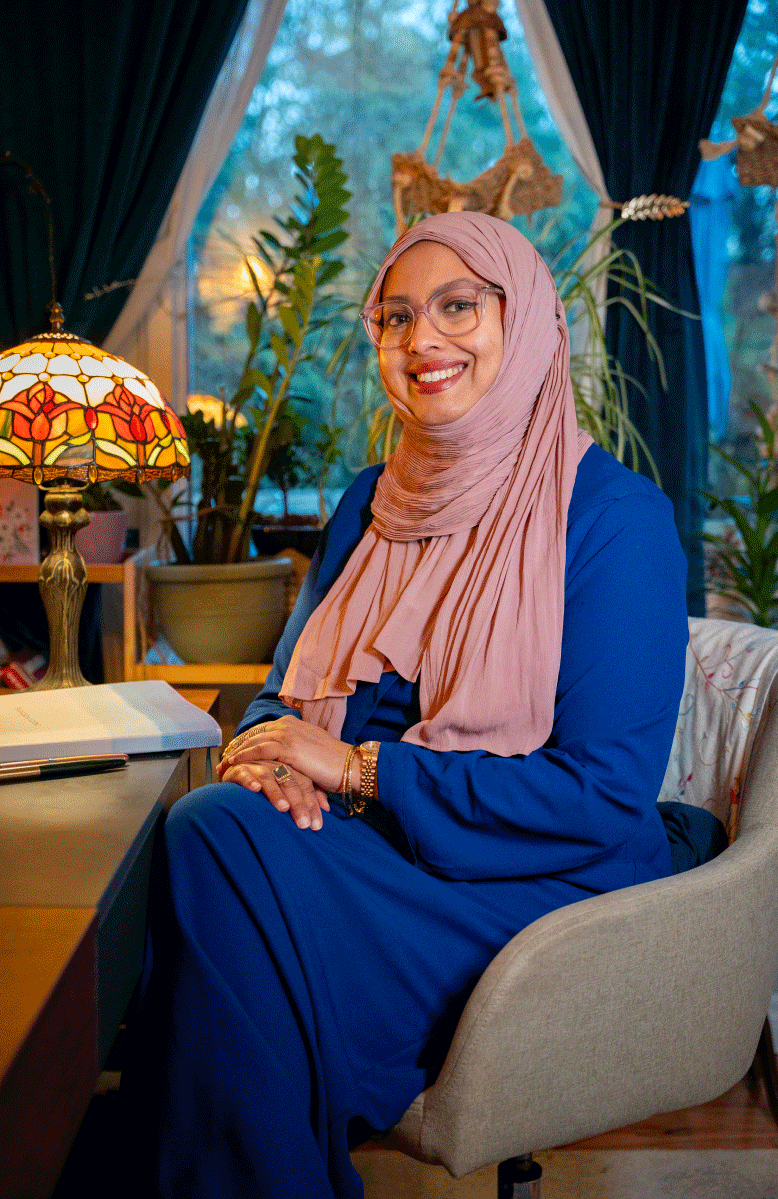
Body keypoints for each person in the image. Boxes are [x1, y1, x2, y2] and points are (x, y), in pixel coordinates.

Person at [125, 212, 689, 1199]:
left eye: (456, 307)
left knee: (212, 846)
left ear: (527, 327)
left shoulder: (613, 520)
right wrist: (265, 746)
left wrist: (354, 767)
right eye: (394, 317)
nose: (419, 340)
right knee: (218, 835)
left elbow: (599, 796)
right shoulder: (369, 500)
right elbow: (288, 681)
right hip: (360, 840)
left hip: (534, 881)